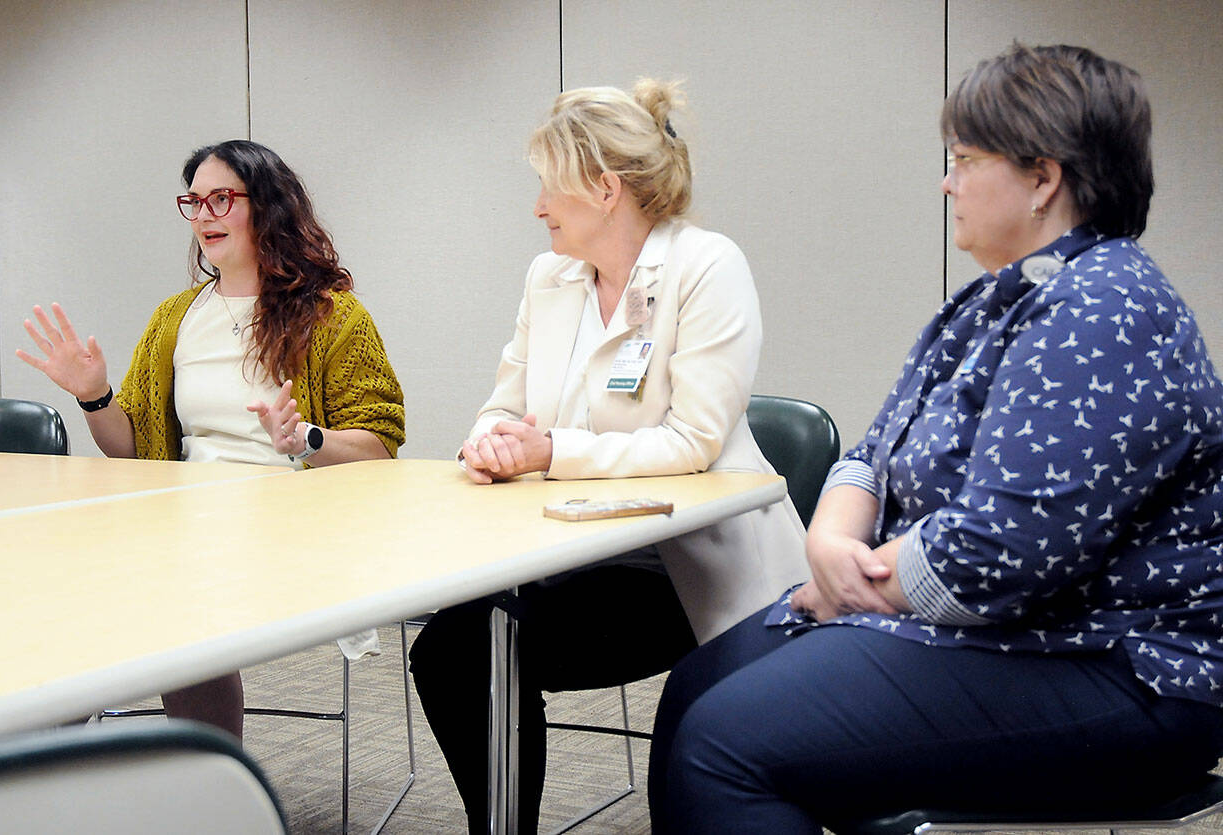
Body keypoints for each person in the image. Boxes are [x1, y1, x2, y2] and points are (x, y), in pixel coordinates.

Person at [649, 43, 1223, 834]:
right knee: (695, 688)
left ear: (1042, 177)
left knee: (724, 744)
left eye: (963, 159)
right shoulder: (992, 301)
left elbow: (1000, 551)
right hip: (1005, 628)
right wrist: (830, 541)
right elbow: (872, 452)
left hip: (1118, 667)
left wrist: (851, 586)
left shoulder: (1106, 307)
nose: (947, 182)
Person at [407, 79, 808, 832]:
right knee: (454, 650)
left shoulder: (707, 266)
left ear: (603, 186)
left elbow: (693, 442)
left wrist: (549, 450)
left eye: (546, 187)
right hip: (573, 548)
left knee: (495, 643)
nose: (536, 208)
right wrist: (491, 442)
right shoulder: (548, 278)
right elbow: (505, 402)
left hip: (685, 568)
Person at [17, 139, 405, 739]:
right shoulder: (176, 317)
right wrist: (93, 394)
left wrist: (306, 439)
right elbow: (134, 448)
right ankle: (36, 759)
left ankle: (192, 777)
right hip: (185, 520)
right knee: (65, 577)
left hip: (293, 525)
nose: (202, 217)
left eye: (220, 199)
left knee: (161, 590)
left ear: (268, 207)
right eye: (193, 203)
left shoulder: (332, 316)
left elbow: (380, 446)